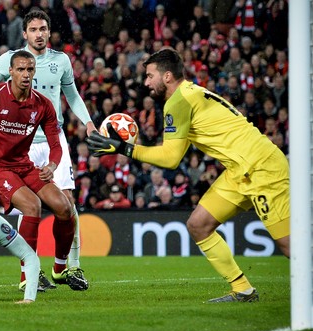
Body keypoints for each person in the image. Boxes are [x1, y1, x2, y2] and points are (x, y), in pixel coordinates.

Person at [87, 48, 290, 303]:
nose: (146, 82)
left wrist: (124, 148)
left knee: (289, 246)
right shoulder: (191, 93)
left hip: (262, 167)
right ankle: (243, 290)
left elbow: (171, 159)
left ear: (168, 76)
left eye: (150, 76)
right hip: (240, 170)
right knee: (198, 225)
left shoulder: (178, 101)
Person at [0, 10, 95, 288]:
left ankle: (68, 268)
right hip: (20, 141)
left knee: (67, 205)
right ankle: (30, 270)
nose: (39, 34)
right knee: (28, 207)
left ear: (49, 32)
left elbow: (72, 95)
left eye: (43, 29)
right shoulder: (10, 60)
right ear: (25, 33)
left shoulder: (61, 60)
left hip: (53, 139)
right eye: (33, 29)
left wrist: (88, 122)